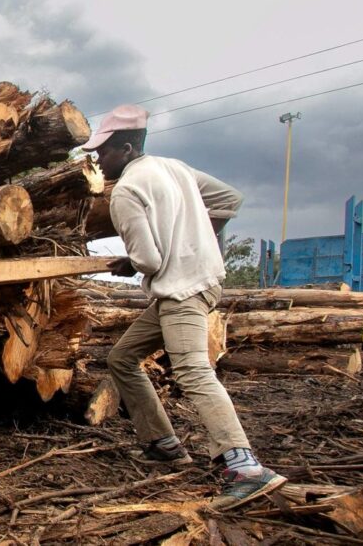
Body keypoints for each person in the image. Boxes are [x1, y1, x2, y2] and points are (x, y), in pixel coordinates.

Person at [83, 105, 286, 511]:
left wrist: (130, 263)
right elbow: (230, 199)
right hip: (201, 281)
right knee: (122, 358)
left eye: (103, 152)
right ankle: (163, 444)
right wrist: (193, 238)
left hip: (181, 292)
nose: (97, 161)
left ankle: (245, 468)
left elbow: (149, 261)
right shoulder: (174, 168)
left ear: (126, 149)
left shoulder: (126, 191)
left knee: (193, 372)